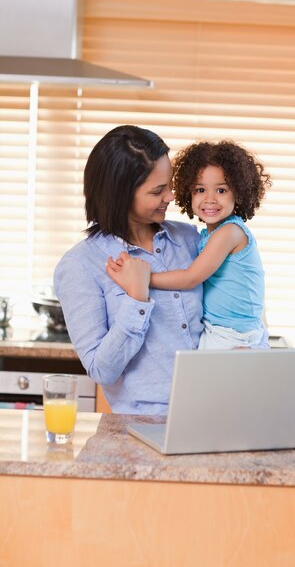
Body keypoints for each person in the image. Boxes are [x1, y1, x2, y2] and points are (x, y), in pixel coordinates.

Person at [53, 125, 205, 415]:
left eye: (170, 185)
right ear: (120, 195)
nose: (171, 197)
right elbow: (101, 370)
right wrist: (136, 298)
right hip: (142, 429)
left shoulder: (189, 240)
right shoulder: (81, 265)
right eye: (158, 190)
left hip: (214, 415)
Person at [106, 140, 272, 350]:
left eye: (221, 191)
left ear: (238, 193)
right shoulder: (206, 236)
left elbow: (191, 277)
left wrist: (142, 279)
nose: (209, 199)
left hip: (233, 335)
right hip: (221, 330)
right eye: (200, 189)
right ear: (188, 193)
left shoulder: (230, 232)